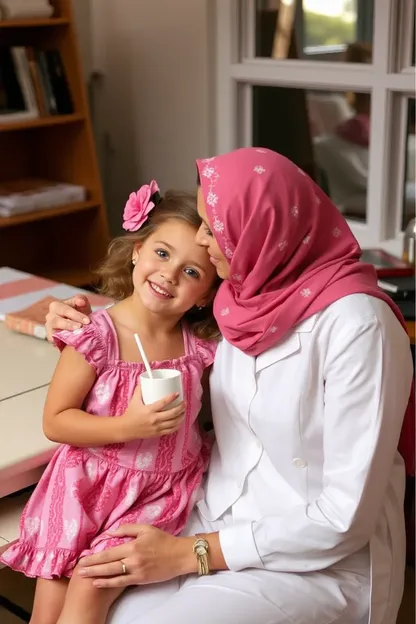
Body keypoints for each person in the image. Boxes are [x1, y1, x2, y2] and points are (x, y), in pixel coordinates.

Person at [45, 148, 414, 624]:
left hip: (314, 563)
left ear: (265, 233)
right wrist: (78, 319)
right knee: (97, 594)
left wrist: (189, 555)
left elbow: (343, 518)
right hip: (208, 515)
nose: (201, 239)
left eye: (211, 226)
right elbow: (158, 313)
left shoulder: (359, 327)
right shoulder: (241, 297)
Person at [1, 185, 219, 624]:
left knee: (93, 583)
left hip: (157, 493)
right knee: (47, 608)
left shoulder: (199, 349)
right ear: (137, 252)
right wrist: (129, 426)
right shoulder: (96, 336)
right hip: (83, 489)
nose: (170, 274)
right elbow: (56, 421)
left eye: (192, 272)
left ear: (206, 296)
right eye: (161, 253)